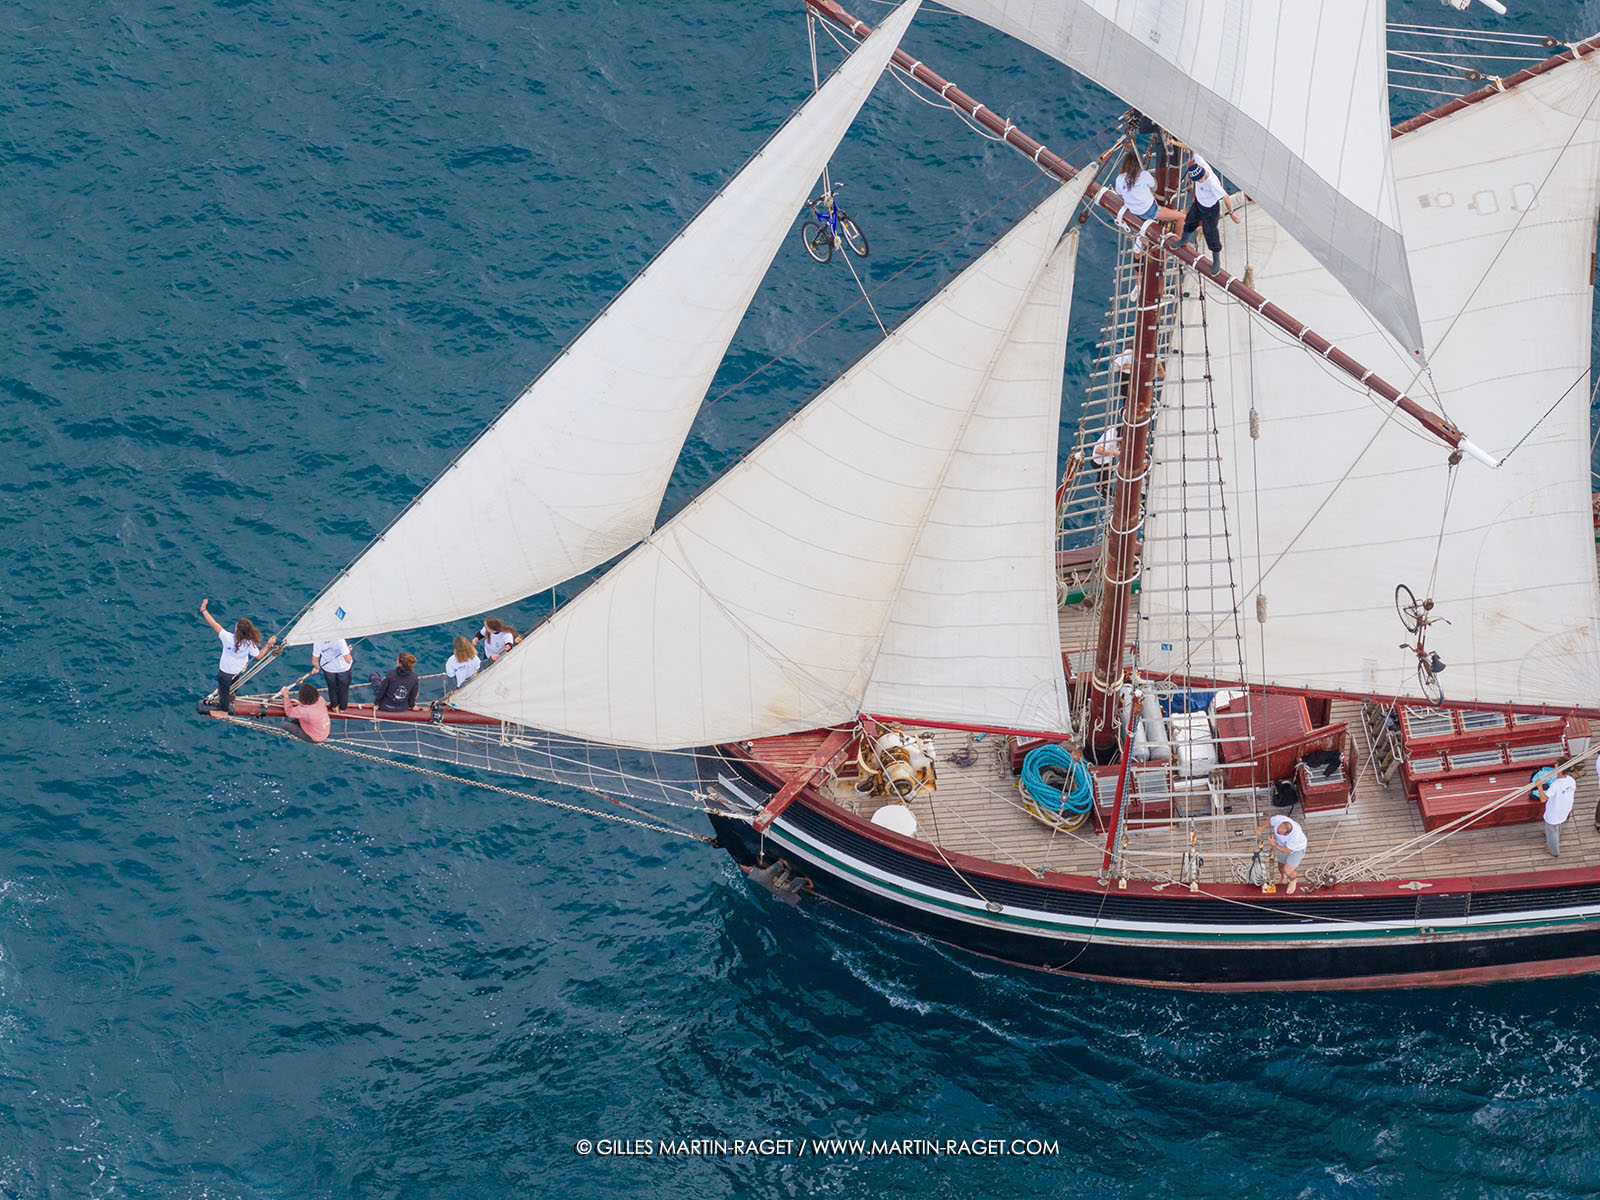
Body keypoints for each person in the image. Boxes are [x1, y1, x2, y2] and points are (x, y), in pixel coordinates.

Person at [200, 598, 276, 714]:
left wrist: (204, 610)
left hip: (225, 671)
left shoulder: (227, 637)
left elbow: (214, 624)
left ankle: (224, 709)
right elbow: (259, 656)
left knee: (223, 691)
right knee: (233, 686)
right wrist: (269, 644)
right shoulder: (250, 644)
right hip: (238, 670)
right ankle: (232, 697)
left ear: (237, 629)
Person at [1177, 151, 1240, 275]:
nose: (1199, 182)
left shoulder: (1213, 183)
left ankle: (1216, 260)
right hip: (1199, 204)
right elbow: (1192, 147)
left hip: (1210, 210)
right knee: (1189, 221)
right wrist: (1174, 142)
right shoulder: (1199, 161)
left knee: (1210, 233)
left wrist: (1232, 213)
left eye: (1199, 179)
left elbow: (1226, 197)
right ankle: (1183, 240)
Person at [1112, 149, 1182, 241]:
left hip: (1133, 211)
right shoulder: (1144, 175)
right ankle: (1178, 242)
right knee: (1181, 217)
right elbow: (1155, 187)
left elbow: (1119, 193)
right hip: (1150, 211)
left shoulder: (1120, 179)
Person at [1255, 814, 1307, 894]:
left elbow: (1287, 851)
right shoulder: (1279, 819)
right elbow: (1268, 821)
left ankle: (1293, 880)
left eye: (1280, 832)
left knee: (1288, 869)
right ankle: (1283, 877)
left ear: (1286, 834)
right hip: (1281, 845)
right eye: (1278, 828)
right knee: (1281, 865)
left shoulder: (1295, 837)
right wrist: (1260, 827)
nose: (1277, 831)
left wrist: (1274, 844)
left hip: (1296, 849)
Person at [1534, 766, 1575, 856]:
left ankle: (1553, 851)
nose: (1554, 767)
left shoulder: (1555, 785)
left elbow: (1543, 799)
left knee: (1552, 831)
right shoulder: (1571, 780)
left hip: (1553, 814)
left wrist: (1539, 786)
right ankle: (1550, 833)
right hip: (1565, 809)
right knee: (1558, 825)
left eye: (1556, 766)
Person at [312, 637, 353, 713]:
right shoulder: (339, 640)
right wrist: (347, 650)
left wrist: (317, 668)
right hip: (343, 669)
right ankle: (342, 708)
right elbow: (348, 660)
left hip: (328, 669)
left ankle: (334, 706)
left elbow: (315, 661)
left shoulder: (318, 641)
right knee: (344, 689)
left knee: (332, 687)